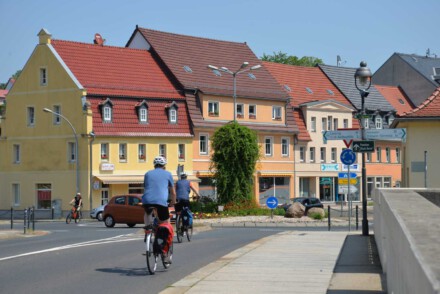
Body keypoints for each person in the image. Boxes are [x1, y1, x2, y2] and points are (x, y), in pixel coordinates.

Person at [141, 156, 176, 227]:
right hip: (161, 201)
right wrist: (173, 202)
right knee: (165, 221)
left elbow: (145, 187)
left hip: (147, 200)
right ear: (164, 166)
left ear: (154, 165)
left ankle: (148, 228)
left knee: (147, 213)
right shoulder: (168, 174)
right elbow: (173, 193)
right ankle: (165, 235)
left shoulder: (147, 174)